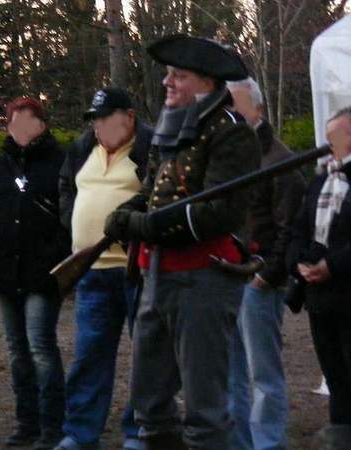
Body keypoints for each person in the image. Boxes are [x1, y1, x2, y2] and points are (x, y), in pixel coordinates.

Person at [103, 35, 261, 450]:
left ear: (206, 83)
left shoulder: (231, 133)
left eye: (179, 76)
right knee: (150, 406)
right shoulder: (172, 128)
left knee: (204, 411)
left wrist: (141, 224)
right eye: (168, 74)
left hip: (203, 280)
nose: (167, 83)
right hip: (156, 275)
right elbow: (154, 192)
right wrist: (124, 215)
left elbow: (215, 214)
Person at [56, 87, 153, 450]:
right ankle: (80, 433)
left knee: (145, 355)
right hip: (90, 270)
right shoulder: (83, 149)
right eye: (94, 119)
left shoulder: (149, 150)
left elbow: (159, 197)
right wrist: (73, 222)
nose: (98, 126)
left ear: (129, 117)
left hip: (136, 270)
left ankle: (140, 431)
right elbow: (66, 187)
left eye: (105, 117)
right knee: (89, 355)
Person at [0, 97, 70, 450]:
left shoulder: (60, 164)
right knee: (17, 351)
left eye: (29, 121)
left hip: (42, 273)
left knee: (41, 346)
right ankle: (26, 422)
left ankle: (52, 425)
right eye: (16, 121)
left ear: (43, 124)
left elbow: (67, 217)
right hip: (4, 270)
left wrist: (55, 259)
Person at [226, 77, 305, 450]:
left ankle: (267, 443)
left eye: (236, 103)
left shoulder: (280, 159)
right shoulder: (228, 157)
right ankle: (237, 441)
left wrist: (269, 275)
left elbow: (291, 225)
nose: (230, 112)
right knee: (231, 372)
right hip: (225, 275)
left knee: (263, 374)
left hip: (258, 279)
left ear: (256, 107)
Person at [288, 106, 351, 449]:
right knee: (334, 372)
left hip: (347, 290)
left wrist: (333, 265)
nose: (327, 144)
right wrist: (299, 263)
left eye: (333, 137)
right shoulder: (320, 179)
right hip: (320, 296)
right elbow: (299, 228)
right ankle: (341, 433)